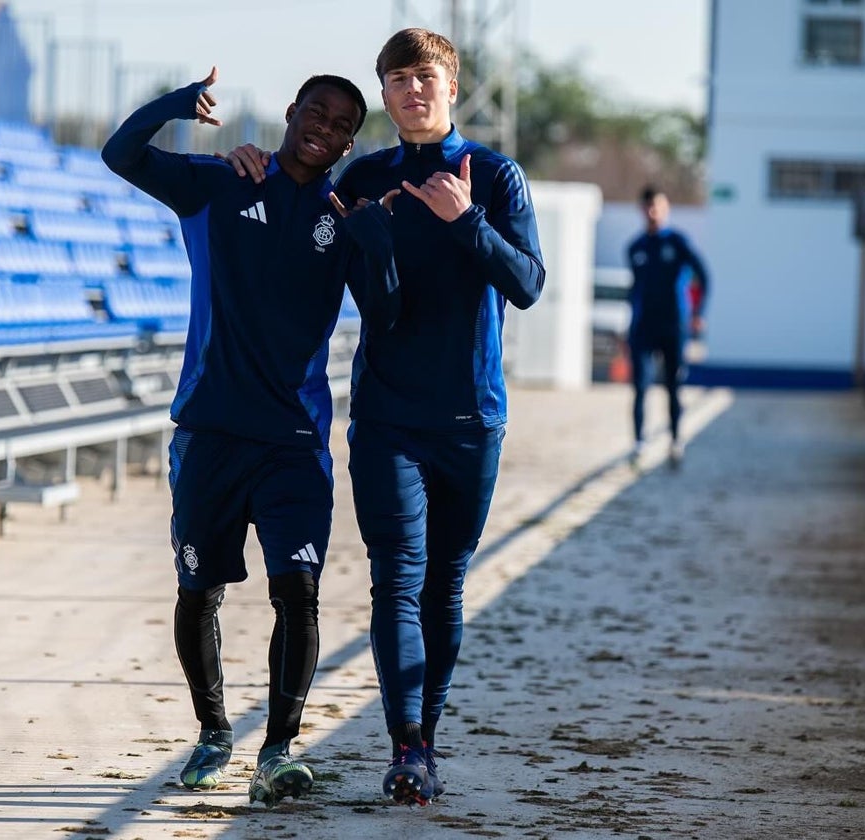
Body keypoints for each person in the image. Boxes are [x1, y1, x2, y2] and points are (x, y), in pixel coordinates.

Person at [227, 28, 544, 806]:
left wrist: (467, 221)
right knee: (395, 585)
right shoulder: (366, 177)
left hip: (472, 417)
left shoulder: (495, 175)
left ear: (451, 87)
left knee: (446, 588)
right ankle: (407, 751)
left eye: (424, 76)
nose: (411, 90)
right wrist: (254, 163)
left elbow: (529, 284)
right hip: (388, 418)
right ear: (387, 93)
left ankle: (425, 738)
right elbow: (376, 301)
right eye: (396, 78)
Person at [102, 67, 398, 807]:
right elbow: (121, 154)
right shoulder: (223, 182)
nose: (323, 130)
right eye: (316, 113)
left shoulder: (344, 212)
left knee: (298, 594)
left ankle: (279, 750)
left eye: (340, 126)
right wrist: (176, 106)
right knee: (198, 591)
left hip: (295, 442)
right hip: (210, 431)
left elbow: (390, 313)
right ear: (291, 112)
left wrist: (380, 241)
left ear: (346, 144)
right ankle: (211, 732)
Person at [625, 184, 709, 467]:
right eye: (648, 207)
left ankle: (675, 441)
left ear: (666, 208)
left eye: (658, 206)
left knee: (673, 386)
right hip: (643, 328)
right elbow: (634, 290)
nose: (653, 212)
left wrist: (698, 312)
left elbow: (704, 276)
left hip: (673, 327)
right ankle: (638, 443)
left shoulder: (678, 242)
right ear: (642, 209)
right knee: (640, 386)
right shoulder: (636, 247)